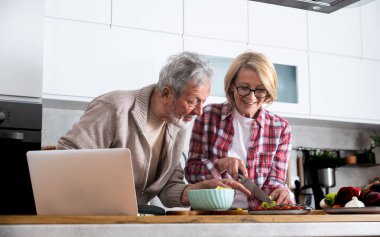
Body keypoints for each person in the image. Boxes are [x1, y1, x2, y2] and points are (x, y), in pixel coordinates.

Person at [56, 51, 250, 208]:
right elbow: (66, 157)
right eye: (192, 101)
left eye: (203, 102)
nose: (199, 111)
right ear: (166, 92)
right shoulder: (115, 108)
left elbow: (168, 187)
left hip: (132, 222)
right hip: (92, 218)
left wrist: (199, 190)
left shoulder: (177, 124)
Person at [185, 50, 294, 210]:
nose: (251, 97)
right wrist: (221, 164)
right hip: (211, 216)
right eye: (244, 88)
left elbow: (275, 181)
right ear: (232, 86)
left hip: (258, 218)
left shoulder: (280, 128)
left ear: (269, 91)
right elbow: (191, 173)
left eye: (260, 90)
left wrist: (280, 191)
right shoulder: (208, 116)